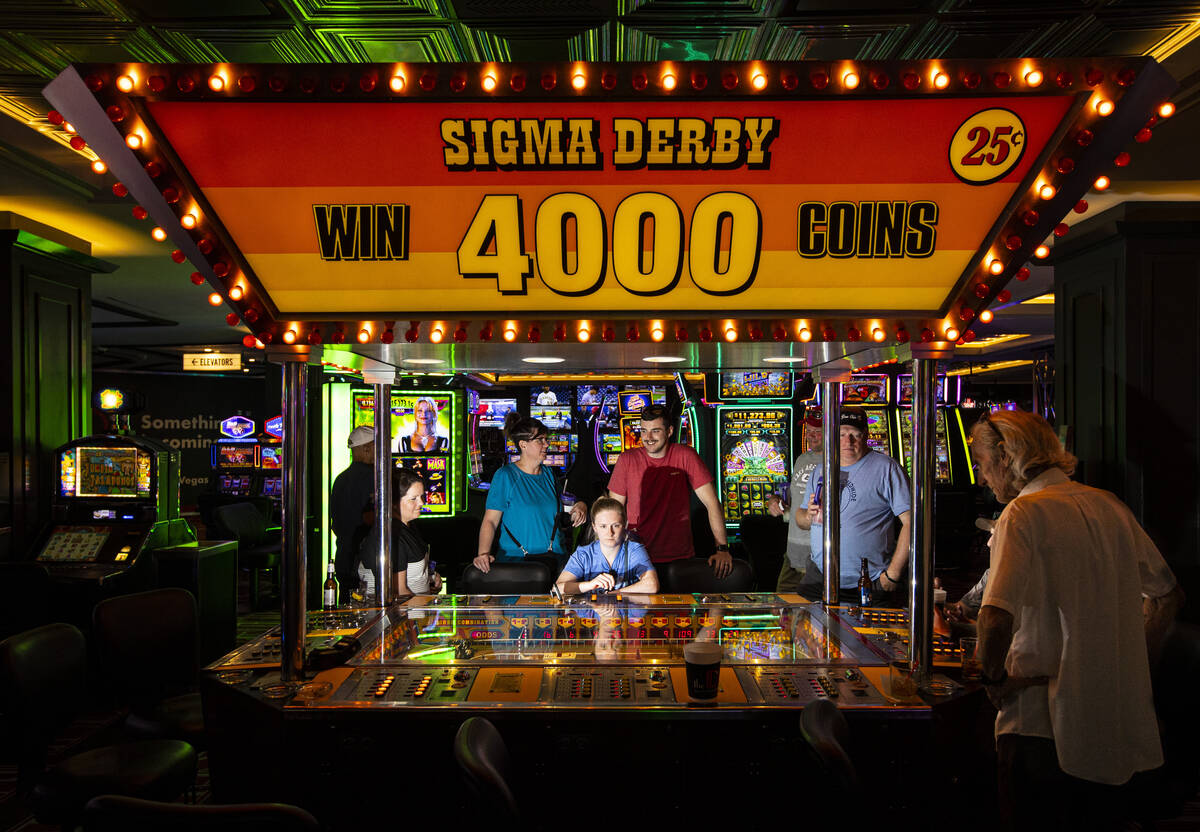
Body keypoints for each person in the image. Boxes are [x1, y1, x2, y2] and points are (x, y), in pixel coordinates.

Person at [972, 410, 1183, 830]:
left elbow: (994, 618)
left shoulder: (1022, 513)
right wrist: (1126, 663)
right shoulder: (1110, 505)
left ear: (1005, 456)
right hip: (1113, 718)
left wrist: (992, 679)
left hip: (1038, 724)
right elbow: (1167, 598)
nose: (980, 476)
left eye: (981, 462)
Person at [796, 407, 912, 600]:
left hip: (868, 579)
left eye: (854, 435)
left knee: (866, 630)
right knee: (800, 625)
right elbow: (801, 519)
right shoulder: (821, 469)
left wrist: (893, 575)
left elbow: (913, 522)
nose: (847, 441)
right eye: (841, 434)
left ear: (866, 435)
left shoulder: (887, 468)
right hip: (821, 576)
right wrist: (808, 515)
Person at [607, 404, 732, 577]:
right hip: (637, 556)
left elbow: (712, 503)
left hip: (679, 558)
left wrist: (722, 548)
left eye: (655, 431)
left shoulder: (685, 455)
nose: (648, 437)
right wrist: (610, 553)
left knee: (679, 604)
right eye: (644, 431)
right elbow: (613, 511)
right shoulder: (627, 459)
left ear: (670, 431)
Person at [473, 415, 587, 573]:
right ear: (523, 445)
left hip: (555, 561)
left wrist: (580, 505)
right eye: (540, 440)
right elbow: (490, 521)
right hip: (517, 562)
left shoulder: (548, 474)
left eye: (546, 439)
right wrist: (483, 554)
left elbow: (565, 505)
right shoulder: (506, 476)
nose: (547, 444)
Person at [357, 467, 442, 599]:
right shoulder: (391, 535)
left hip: (415, 614)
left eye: (422, 496)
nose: (422, 502)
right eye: (414, 498)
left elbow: (413, 572)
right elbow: (400, 593)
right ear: (394, 502)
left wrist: (429, 577)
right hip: (396, 616)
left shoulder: (409, 525)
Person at [766, 414, 824, 593]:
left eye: (817, 432)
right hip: (792, 552)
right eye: (809, 431)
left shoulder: (835, 462)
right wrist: (775, 501)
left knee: (811, 615)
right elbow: (793, 499)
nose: (811, 435)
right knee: (782, 611)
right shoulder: (802, 459)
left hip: (816, 555)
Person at [555, 496, 658, 595]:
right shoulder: (583, 554)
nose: (610, 532)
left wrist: (614, 594)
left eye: (616, 526)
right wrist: (590, 585)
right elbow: (558, 589)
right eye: (603, 526)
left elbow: (652, 585)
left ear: (624, 525)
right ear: (594, 527)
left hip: (625, 612)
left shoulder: (634, 550)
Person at [330, 425, 376, 603]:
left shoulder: (340, 479)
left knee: (346, 613)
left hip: (344, 556)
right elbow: (371, 519)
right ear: (366, 448)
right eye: (377, 445)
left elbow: (336, 522)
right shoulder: (374, 478)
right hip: (365, 561)